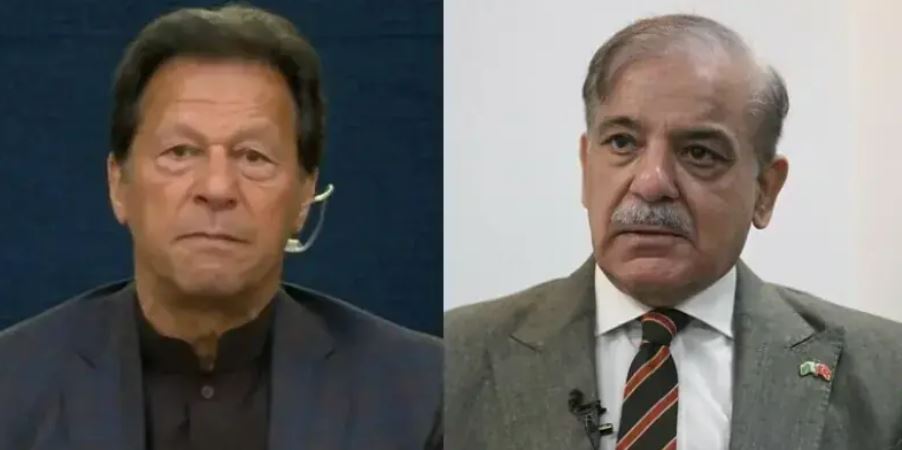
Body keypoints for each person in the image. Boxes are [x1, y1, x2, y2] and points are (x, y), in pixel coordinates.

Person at [446, 14, 902, 450]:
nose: (651, 183)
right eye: (622, 143)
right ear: (586, 167)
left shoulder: (887, 375)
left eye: (699, 152)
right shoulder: (453, 357)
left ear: (765, 190)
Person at [0, 5, 441, 450]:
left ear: (304, 196)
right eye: (180, 152)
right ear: (118, 184)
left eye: (253, 156)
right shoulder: (13, 385)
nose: (216, 188)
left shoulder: (423, 393)